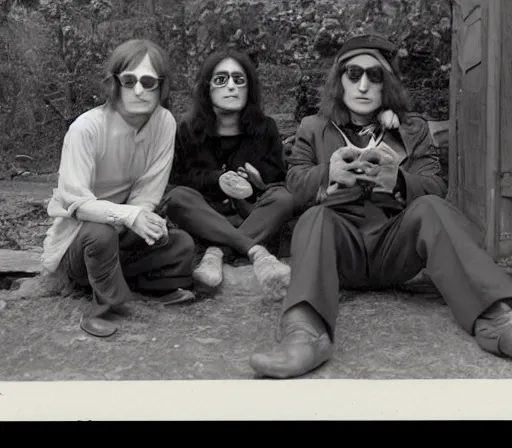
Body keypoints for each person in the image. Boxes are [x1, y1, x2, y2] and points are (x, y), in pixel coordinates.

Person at [249, 33, 512, 378]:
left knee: (431, 206)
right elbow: (294, 185)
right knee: (314, 217)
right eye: (353, 74)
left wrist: (397, 180)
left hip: (395, 247)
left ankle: (496, 318)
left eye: (375, 76)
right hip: (341, 253)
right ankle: (305, 334)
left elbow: (436, 186)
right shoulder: (313, 128)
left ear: (386, 84)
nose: (363, 85)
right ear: (339, 82)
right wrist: (329, 172)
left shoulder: (413, 128)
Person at [41, 39, 196, 338]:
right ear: (115, 83)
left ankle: (130, 285)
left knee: (181, 245)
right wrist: (127, 216)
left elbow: (149, 191)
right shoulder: (86, 129)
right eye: (129, 80)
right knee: (100, 234)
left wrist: (140, 219)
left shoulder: (164, 122)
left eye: (149, 81)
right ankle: (105, 306)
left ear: (161, 87)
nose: (139, 90)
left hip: (124, 232)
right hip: (79, 238)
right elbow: (77, 203)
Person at [163, 49, 297, 301]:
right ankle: (256, 252)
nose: (232, 87)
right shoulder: (187, 129)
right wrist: (217, 179)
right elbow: (178, 178)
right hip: (207, 214)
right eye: (221, 80)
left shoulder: (265, 127)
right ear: (207, 88)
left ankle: (217, 252)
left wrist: (257, 183)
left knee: (283, 198)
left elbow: (278, 174)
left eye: (239, 79)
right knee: (176, 197)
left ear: (249, 88)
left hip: (251, 211)